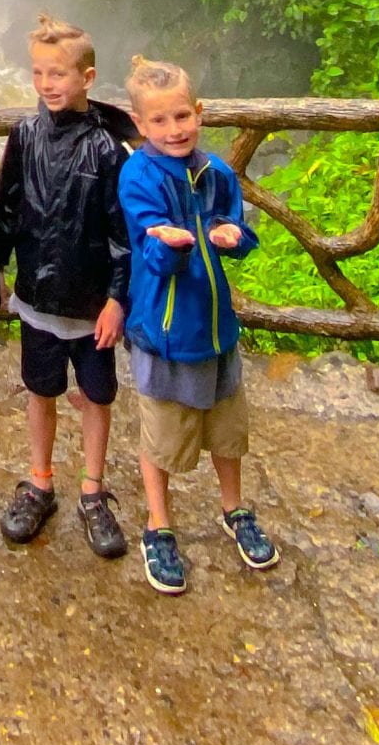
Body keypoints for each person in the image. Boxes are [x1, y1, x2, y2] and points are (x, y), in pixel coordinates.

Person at [119, 54, 280, 595]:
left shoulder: (217, 173)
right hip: (164, 331)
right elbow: (149, 249)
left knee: (228, 428)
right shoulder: (138, 176)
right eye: (160, 120)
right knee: (162, 433)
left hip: (216, 328)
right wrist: (170, 245)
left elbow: (236, 226)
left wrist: (235, 237)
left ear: (199, 112)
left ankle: (234, 510)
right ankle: (158, 524)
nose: (174, 129)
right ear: (139, 123)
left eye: (182, 116)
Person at [0, 16, 132, 559]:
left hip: (92, 305)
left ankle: (93, 490)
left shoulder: (107, 149)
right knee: (40, 391)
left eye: (58, 74)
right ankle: (40, 482)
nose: (47, 84)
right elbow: (8, 209)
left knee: (97, 396)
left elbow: (122, 233)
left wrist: (117, 299)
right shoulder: (25, 136)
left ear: (87, 78)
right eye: (38, 73)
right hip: (37, 298)